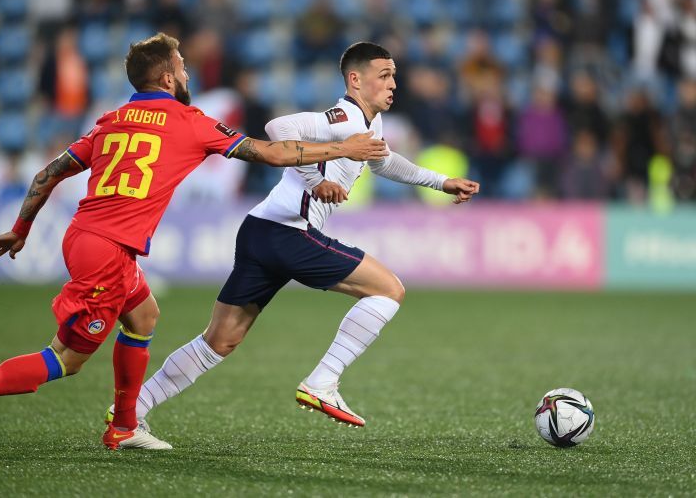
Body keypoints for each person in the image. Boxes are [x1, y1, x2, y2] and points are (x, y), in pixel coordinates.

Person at [0, 33, 387, 450]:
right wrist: (343, 148)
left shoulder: (112, 119)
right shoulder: (188, 120)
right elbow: (270, 153)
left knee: (144, 316)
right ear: (167, 77)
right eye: (183, 66)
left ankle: (124, 425)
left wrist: (20, 230)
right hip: (105, 252)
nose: (187, 73)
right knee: (65, 360)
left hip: (89, 238)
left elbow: (48, 174)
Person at [122, 42, 479, 438]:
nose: (393, 83)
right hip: (288, 231)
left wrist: (441, 182)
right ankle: (323, 382)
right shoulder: (342, 117)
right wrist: (317, 179)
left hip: (260, 229)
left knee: (220, 340)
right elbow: (279, 129)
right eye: (384, 76)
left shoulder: (368, 123)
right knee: (388, 290)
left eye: (394, 75)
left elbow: (383, 161)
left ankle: (131, 410)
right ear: (355, 80)